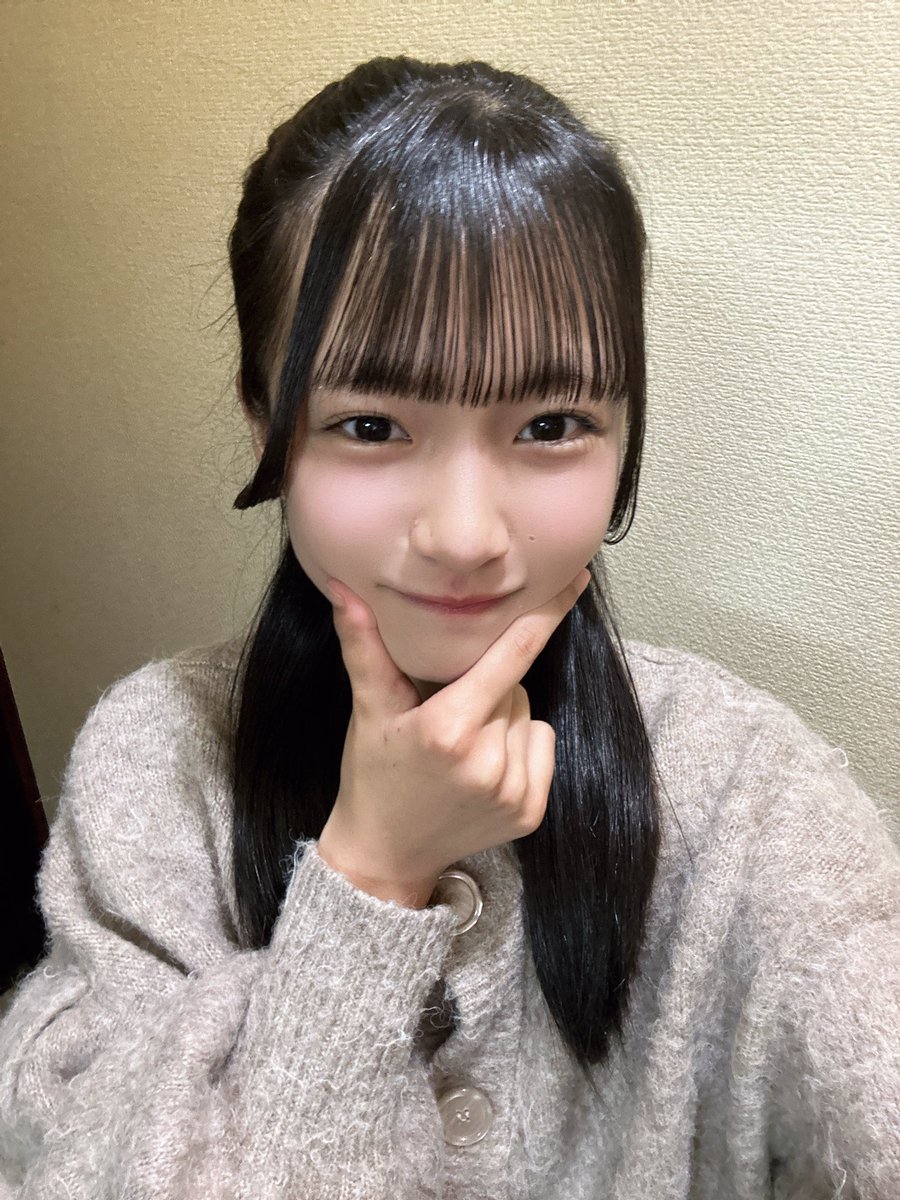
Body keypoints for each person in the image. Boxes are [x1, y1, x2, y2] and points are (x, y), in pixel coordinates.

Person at [0, 54, 897, 1200]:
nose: (467, 535)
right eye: (372, 424)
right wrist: (373, 877)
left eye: (552, 422)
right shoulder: (156, 766)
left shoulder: (747, 793)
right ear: (265, 425)